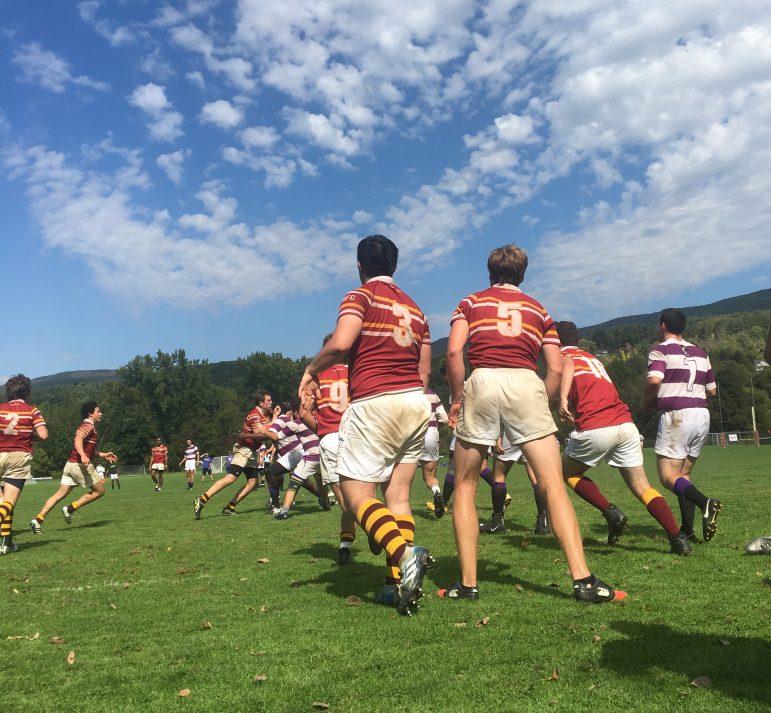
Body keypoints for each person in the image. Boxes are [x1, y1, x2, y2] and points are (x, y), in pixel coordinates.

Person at [442, 244, 624, 603]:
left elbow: (452, 352)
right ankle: (583, 580)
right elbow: (555, 367)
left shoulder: (470, 302)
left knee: (464, 486)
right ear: (522, 274)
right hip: (526, 381)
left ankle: (467, 585)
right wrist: (551, 400)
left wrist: (458, 398)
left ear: (489, 272)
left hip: (482, 380)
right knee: (554, 484)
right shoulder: (538, 309)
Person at [298, 234, 433, 616]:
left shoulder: (360, 296)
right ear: (394, 265)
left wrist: (310, 370)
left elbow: (341, 344)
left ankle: (406, 555)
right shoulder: (417, 309)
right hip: (414, 402)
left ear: (360, 266)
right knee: (400, 498)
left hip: (376, 401)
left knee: (357, 497)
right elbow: (424, 370)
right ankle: (398, 585)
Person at [556, 321, 689, 554]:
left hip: (596, 426)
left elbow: (566, 365)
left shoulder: (563, 356)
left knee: (564, 473)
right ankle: (677, 537)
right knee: (642, 487)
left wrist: (563, 399)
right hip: (625, 425)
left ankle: (610, 511)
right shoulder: (592, 358)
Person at [643, 308, 721, 542]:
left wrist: (646, 403)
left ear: (663, 325)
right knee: (682, 476)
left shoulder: (660, 350)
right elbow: (713, 390)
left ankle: (705, 503)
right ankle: (688, 531)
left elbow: (654, 380)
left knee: (667, 477)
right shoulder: (701, 352)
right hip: (702, 414)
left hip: (678, 415)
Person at [298, 346, 358, 564]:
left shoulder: (316, 378)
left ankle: (372, 531)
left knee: (345, 501)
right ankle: (345, 546)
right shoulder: (357, 370)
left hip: (330, 438)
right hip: (356, 436)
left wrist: (321, 429)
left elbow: (303, 412)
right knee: (361, 496)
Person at [30, 402, 117, 532]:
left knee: (59, 494)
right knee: (100, 491)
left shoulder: (87, 425)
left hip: (70, 464)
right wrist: (82, 455)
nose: (101, 413)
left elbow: (89, 451)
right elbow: (78, 439)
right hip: (80, 466)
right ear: (90, 413)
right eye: (98, 411)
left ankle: (38, 520)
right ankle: (70, 508)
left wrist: (104, 455)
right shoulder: (88, 426)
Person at [194, 392, 273, 519]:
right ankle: (201, 500)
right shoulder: (255, 416)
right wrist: (274, 420)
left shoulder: (265, 414)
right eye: (268, 400)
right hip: (243, 450)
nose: (271, 402)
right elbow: (261, 436)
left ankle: (230, 507)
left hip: (251, 452)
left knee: (253, 483)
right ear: (261, 403)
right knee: (230, 478)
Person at [0, 374, 48, 554]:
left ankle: (7, 543)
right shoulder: (32, 410)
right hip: (18, 457)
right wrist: (28, 434)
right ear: (27, 392)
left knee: (3, 502)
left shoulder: (1, 409)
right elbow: (43, 435)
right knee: (9, 502)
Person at [419, 388, 449, 518]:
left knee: (402, 475)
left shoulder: (405, 390)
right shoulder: (432, 394)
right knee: (429, 476)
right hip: (431, 432)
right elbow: (444, 418)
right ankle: (436, 492)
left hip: (410, 434)